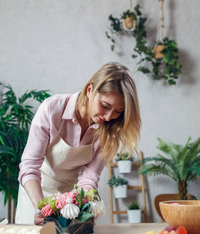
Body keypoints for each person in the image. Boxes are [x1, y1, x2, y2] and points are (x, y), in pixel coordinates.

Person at [15, 62, 141, 224]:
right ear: (90, 90)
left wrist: (83, 204)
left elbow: (89, 178)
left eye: (118, 112)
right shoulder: (51, 110)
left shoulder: (109, 132)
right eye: (105, 106)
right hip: (36, 195)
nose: (109, 117)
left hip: (70, 202)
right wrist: (42, 207)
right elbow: (29, 167)